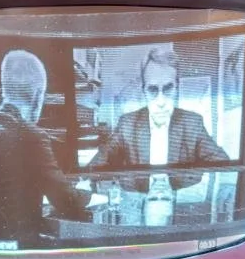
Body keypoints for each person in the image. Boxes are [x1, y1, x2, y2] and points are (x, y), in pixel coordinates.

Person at [0, 50, 89, 241]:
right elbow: (67, 202)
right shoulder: (31, 136)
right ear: (37, 96)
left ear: (4, 88)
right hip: (17, 249)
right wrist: (86, 192)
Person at [90, 47, 229, 170]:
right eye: (152, 89)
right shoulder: (127, 124)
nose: (161, 101)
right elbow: (99, 161)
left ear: (177, 88)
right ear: (143, 90)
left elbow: (223, 163)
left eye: (168, 88)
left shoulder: (193, 123)